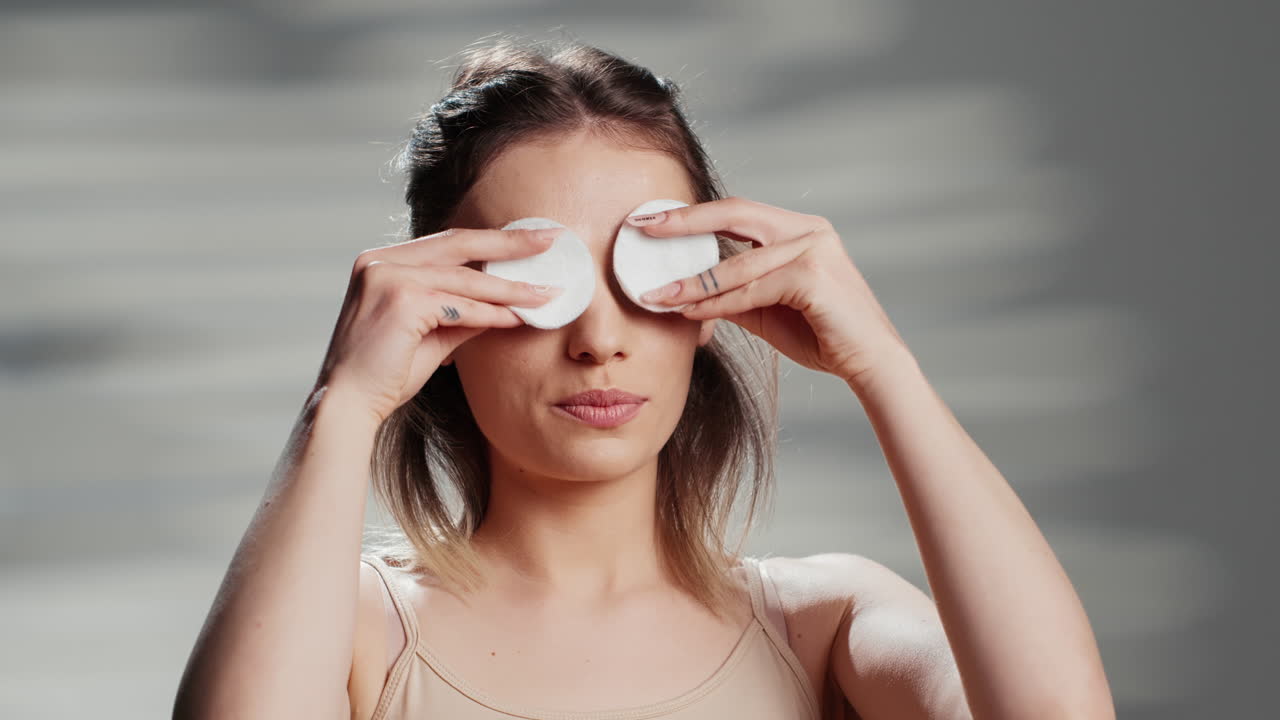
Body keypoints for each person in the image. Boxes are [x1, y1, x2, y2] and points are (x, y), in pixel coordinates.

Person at [173, 36, 1115, 720]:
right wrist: (342, 405)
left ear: (708, 301)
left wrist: (881, 363)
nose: (597, 341)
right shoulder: (352, 630)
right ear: (446, 313)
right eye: (538, 285)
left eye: (641, 277)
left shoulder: (822, 622)